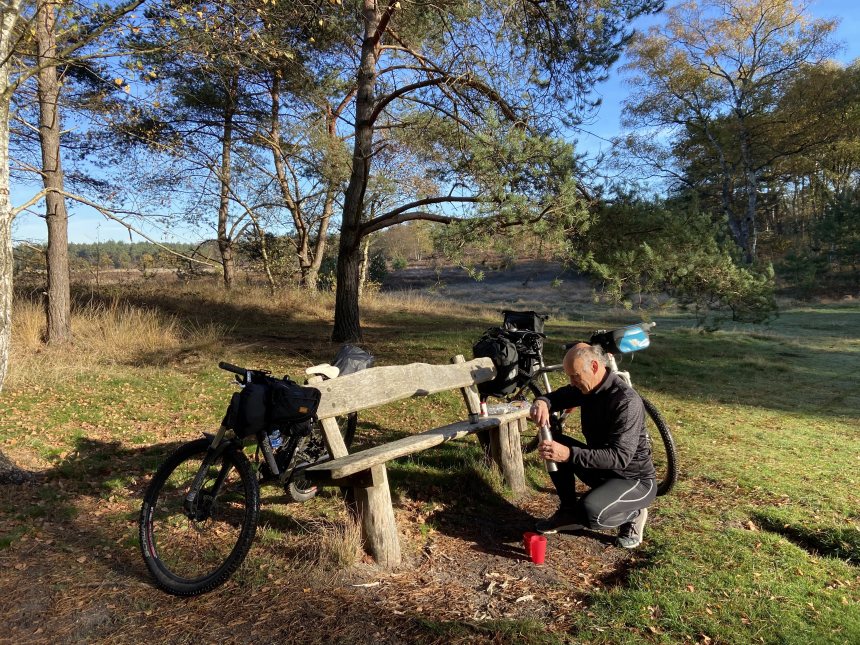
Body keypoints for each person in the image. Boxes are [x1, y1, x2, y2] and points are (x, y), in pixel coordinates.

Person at [529, 342, 657, 548]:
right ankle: (568, 513)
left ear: (595, 367)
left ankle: (633, 514)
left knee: (590, 514)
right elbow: (556, 397)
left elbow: (620, 457)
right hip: (602, 470)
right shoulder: (585, 388)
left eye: (575, 376)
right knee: (553, 443)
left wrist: (569, 454)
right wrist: (542, 401)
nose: (571, 382)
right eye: (569, 376)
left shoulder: (625, 401)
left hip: (633, 479)